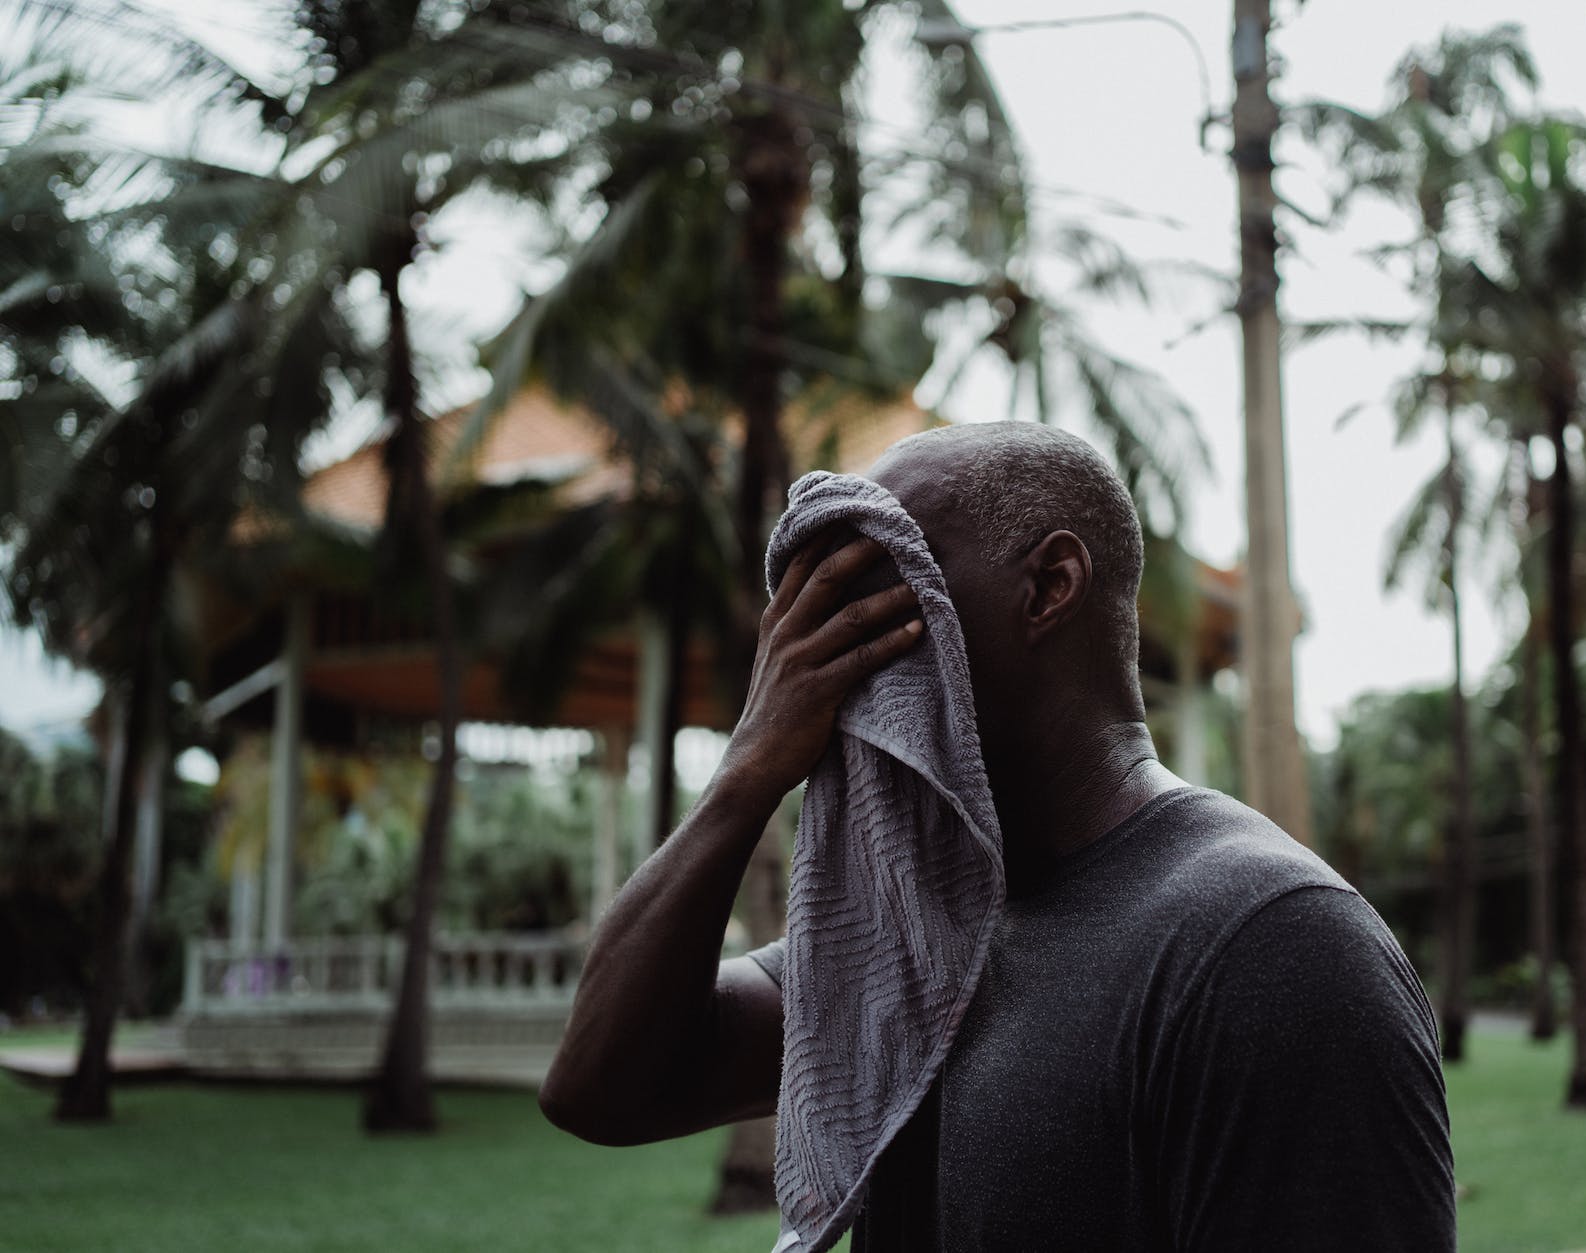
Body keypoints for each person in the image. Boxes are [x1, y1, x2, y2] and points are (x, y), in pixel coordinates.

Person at [540, 423, 1456, 1251]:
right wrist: (747, 770)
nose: (817, 630)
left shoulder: (1269, 945)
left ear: (1049, 587)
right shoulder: (911, 933)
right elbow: (601, 1087)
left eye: (884, 571)